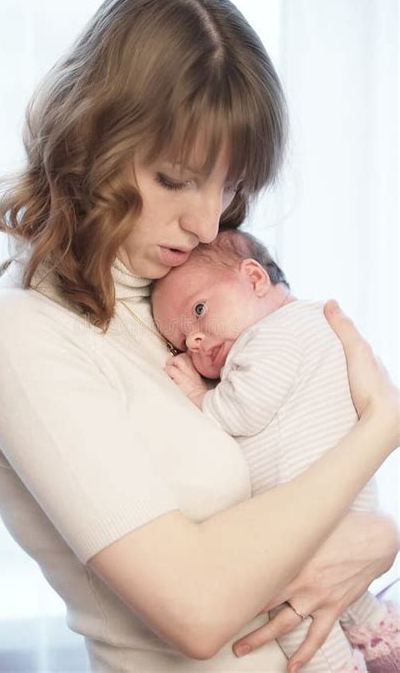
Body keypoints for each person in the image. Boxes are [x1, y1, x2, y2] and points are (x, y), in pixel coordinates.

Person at [0, 0, 399, 673]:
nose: (205, 220)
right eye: (176, 178)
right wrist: (378, 432)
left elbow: (292, 465)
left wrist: (377, 533)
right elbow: (194, 608)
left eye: (227, 184)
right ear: (92, 139)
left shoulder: (183, 298)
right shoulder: (17, 334)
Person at [151, 228, 400, 672]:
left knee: (299, 626)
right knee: (348, 599)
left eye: (200, 310)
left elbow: (245, 410)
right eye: (180, 341)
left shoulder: (277, 333)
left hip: (306, 518)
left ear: (254, 278)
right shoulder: (312, 327)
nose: (194, 341)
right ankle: (383, 641)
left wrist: (198, 397)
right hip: (341, 504)